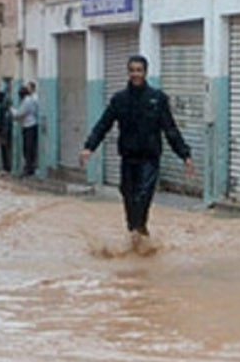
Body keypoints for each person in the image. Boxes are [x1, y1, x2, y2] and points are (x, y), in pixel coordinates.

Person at [80, 55, 196, 242]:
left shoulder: (157, 99)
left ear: (145, 72)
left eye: (139, 70)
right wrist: (89, 147)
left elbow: (170, 129)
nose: (135, 74)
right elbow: (103, 125)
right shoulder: (119, 99)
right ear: (128, 72)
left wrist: (185, 155)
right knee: (128, 196)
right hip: (128, 158)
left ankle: (139, 231)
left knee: (142, 196)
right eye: (132, 70)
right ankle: (137, 234)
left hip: (149, 159)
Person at [13, 83, 40, 177]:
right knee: (29, 148)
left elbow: (19, 114)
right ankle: (29, 167)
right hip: (30, 125)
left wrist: (12, 110)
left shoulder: (27, 101)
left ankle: (29, 168)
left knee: (28, 148)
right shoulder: (30, 100)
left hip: (29, 126)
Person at [0, 89, 13, 172]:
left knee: (5, 148)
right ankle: (6, 165)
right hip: (5, 130)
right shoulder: (4, 106)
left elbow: (2, 120)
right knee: (5, 148)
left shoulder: (2, 107)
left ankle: (6, 166)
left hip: (4, 131)